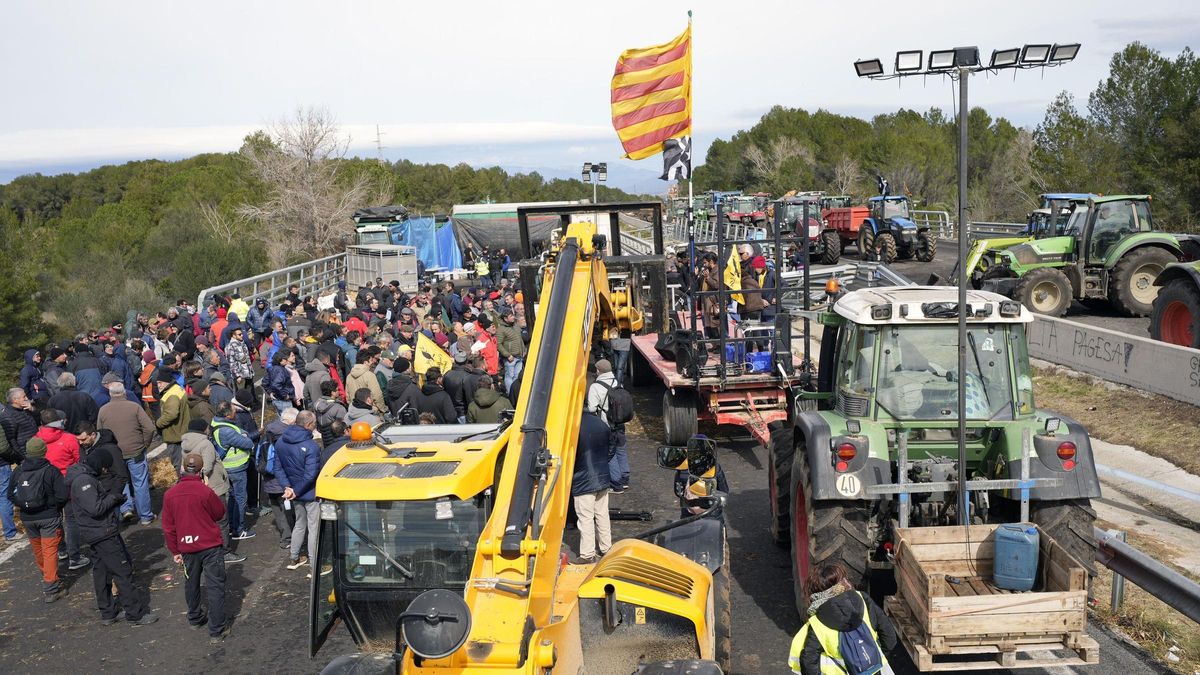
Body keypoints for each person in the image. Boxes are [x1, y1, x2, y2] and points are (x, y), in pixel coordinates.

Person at [68, 449, 158, 626]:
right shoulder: (85, 481)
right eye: (105, 468)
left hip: (93, 533)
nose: (106, 471)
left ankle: (108, 612)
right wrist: (114, 498)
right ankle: (135, 614)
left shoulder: (81, 477)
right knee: (122, 571)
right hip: (103, 532)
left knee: (101, 572)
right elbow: (95, 508)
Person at [162, 453, 230, 644]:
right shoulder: (205, 492)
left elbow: (168, 526)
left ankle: (195, 617)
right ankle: (217, 629)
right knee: (215, 586)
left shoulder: (170, 495)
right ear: (201, 471)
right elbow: (219, 513)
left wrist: (175, 551)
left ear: (183, 469)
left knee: (191, 583)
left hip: (187, 547)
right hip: (210, 546)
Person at [788, 563, 898, 675]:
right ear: (842, 582)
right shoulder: (863, 599)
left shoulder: (818, 622)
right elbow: (890, 637)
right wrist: (871, 658)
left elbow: (809, 660)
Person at [9, 438, 68, 601]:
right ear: (44, 451)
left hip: (27, 518)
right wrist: (53, 507)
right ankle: (51, 587)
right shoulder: (51, 470)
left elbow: (10, 494)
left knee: (39, 551)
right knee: (50, 551)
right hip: (48, 517)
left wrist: (24, 505)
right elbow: (62, 496)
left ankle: (49, 575)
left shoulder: (19, 471)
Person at [181, 418, 242, 563]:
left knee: (204, 521)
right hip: (214, 487)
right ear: (203, 429)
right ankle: (225, 551)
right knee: (221, 520)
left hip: (197, 488)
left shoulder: (184, 444)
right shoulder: (205, 444)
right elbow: (207, 467)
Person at [98, 381, 156, 525]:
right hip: (135, 450)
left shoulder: (103, 410)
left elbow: (100, 432)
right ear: (124, 393)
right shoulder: (134, 407)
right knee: (140, 483)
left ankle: (126, 509)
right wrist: (145, 444)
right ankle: (145, 516)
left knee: (120, 481)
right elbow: (149, 428)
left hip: (114, 454)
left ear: (110, 394)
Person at [276, 410, 321, 573]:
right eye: (314, 424)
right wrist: (295, 490)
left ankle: (294, 556)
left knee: (299, 524)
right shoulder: (311, 446)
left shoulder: (280, 441)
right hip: (309, 492)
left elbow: (277, 467)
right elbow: (311, 474)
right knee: (314, 526)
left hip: (293, 492)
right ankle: (315, 562)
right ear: (309, 425)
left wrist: (288, 488)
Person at [209, 402, 256, 542]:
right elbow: (247, 443)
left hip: (228, 467)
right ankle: (239, 529)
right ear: (228, 414)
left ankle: (231, 526)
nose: (236, 413)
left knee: (233, 497)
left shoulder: (216, 423)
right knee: (240, 499)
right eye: (234, 411)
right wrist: (246, 436)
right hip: (235, 467)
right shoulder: (227, 431)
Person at [571, 409, 612, 564]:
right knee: (602, 513)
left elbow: (571, 455)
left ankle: (588, 554)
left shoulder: (574, 426)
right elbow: (612, 448)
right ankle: (606, 548)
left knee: (585, 517)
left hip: (582, 478)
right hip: (602, 475)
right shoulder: (602, 424)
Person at [586, 360, 630, 493]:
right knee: (621, 451)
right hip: (619, 423)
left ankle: (616, 485)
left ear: (599, 371)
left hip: (606, 425)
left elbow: (592, 408)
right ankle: (625, 479)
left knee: (610, 455)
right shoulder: (617, 383)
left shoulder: (595, 387)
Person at [261, 407, 297, 551]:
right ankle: (288, 538)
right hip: (282, 480)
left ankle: (285, 535)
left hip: (268, 478)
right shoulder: (286, 436)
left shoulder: (268, 432)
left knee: (277, 508)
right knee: (287, 510)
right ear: (291, 421)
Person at [154, 368, 190, 474]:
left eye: (160, 383)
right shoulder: (177, 389)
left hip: (175, 435)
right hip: (181, 431)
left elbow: (171, 414)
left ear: (167, 382)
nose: (158, 385)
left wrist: (158, 423)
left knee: (177, 464)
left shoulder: (172, 395)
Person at [48, 372, 99, 437]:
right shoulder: (84, 397)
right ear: (74, 382)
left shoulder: (53, 400)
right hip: (83, 435)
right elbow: (94, 417)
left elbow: (50, 421)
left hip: (64, 436)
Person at [345, 350, 388, 417]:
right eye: (370, 360)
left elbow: (348, 397)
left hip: (355, 412)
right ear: (365, 362)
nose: (372, 362)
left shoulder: (349, 376)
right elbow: (377, 395)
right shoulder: (370, 375)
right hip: (370, 412)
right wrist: (383, 409)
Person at [495, 309, 525, 394]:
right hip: (510, 358)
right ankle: (510, 393)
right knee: (510, 377)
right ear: (505, 318)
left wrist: (523, 351)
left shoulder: (515, 326)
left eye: (513, 315)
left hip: (519, 356)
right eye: (511, 316)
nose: (513, 317)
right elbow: (498, 344)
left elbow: (520, 340)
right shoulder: (501, 329)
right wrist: (507, 355)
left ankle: (516, 393)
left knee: (517, 377)